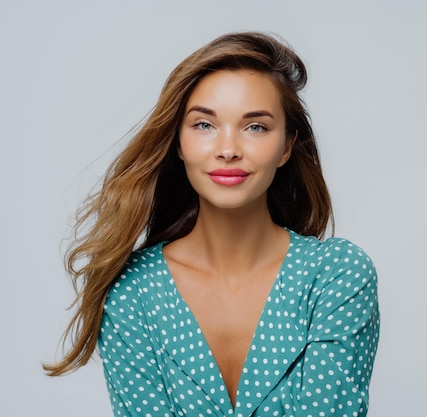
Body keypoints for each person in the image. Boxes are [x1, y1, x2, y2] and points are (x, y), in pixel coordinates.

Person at [45, 32, 380, 417]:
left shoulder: (337, 277)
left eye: (255, 127)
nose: (228, 149)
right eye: (204, 124)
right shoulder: (133, 293)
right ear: (179, 143)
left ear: (286, 146)